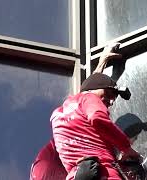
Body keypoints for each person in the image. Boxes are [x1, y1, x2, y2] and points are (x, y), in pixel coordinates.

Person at [50, 43, 141, 179]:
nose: (111, 102)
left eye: (114, 99)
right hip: (104, 174)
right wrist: (126, 147)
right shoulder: (89, 98)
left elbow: (89, 87)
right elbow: (97, 116)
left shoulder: (60, 113)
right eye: (110, 94)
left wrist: (102, 62)